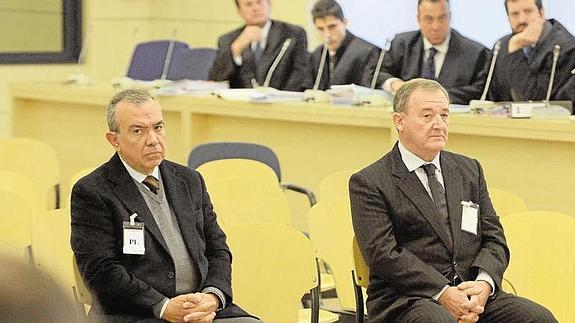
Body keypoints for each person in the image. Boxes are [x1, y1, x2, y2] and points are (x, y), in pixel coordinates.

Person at [349, 78, 556, 322]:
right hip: (407, 298)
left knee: (538, 318)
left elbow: (494, 239)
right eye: (427, 116)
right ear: (399, 121)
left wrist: (483, 285)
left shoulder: (469, 169)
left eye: (444, 115)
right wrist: (443, 292)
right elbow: (384, 255)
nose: (438, 124)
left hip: (471, 293)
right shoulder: (370, 182)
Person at [70, 89, 259, 322]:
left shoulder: (189, 180)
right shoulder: (93, 191)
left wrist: (213, 296)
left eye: (158, 128)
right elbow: (100, 271)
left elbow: (217, 250)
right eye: (138, 131)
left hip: (202, 311)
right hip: (138, 313)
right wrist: (162, 306)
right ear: (114, 140)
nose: (152, 140)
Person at [371, 0, 489, 104]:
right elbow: (377, 74)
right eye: (429, 19)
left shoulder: (475, 53)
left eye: (442, 18)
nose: (436, 26)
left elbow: (479, 91)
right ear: (418, 19)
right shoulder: (403, 44)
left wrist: (431, 97)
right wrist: (396, 84)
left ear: (450, 17)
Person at [488, 0, 575, 106]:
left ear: (542, 13)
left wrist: (516, 49)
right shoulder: (501, 46)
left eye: (528, 11)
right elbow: (488, 93)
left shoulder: (565, 48)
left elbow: (535, 101)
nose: (522, 20)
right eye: (515, 14)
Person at [208, 0, 308, 91]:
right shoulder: (228, 40)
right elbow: (215, 79)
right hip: (241, 105)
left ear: (269, 4)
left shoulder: (293, 34)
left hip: (280, 103)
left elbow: (300, 75)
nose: (255, 8)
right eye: (248, 4)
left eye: (259, 2)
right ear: (239, 11)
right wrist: (235, 50)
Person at [302, 0, 379, 90]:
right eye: (320, 29)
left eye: (332, 27)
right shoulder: (316, 55)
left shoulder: (367, 52)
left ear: (345, 23)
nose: (327, 35)